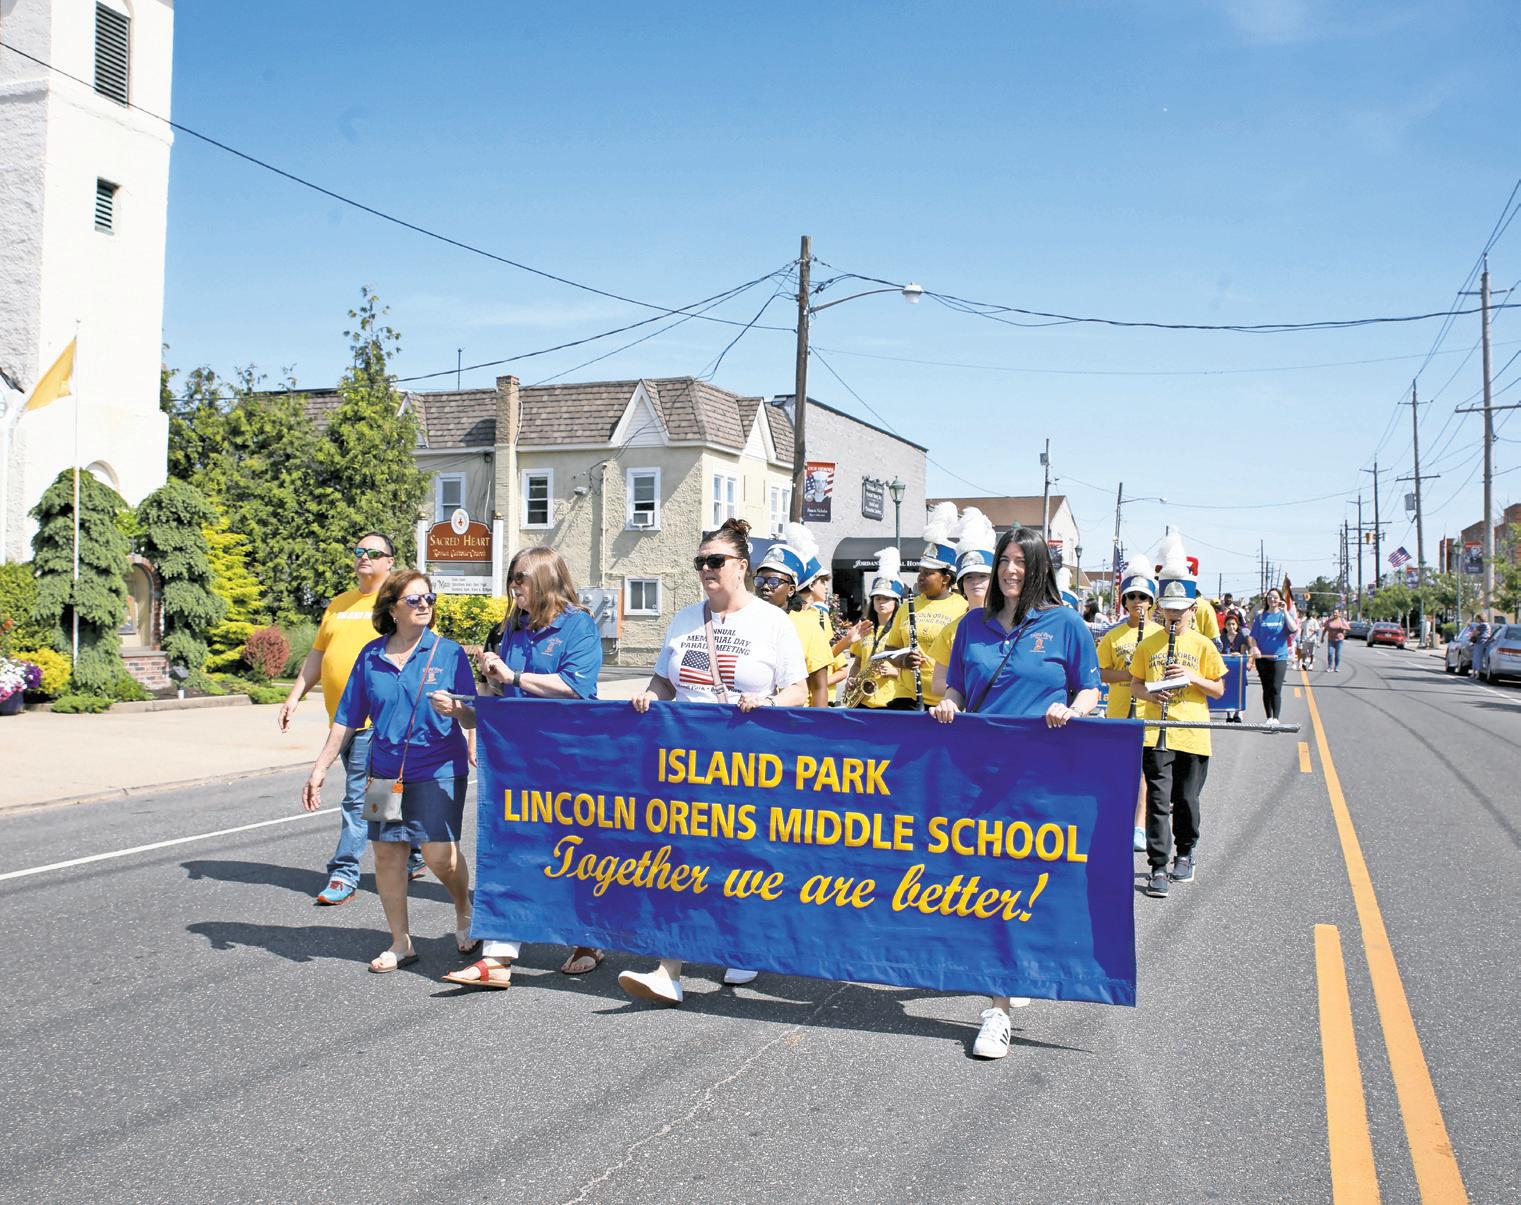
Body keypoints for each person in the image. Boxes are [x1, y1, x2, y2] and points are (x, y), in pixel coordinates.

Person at [618, 518, 808, 1006]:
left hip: (747, 764)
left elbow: (799, 690)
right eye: (700, 561)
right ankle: (669, 969)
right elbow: (665, 681)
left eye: (716, 561)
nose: (706, 568)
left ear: (741, 567)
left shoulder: (772, 622)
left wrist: (768, 703)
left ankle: (742, 942)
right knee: (678, 859)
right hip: (684, 761)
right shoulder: (684, 619)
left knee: (739, 859)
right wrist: (650, 696)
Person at [930, 527, 1100, 1061]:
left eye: (1021, 562)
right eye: (1004, 560)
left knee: (1024, 883)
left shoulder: (1066, 623)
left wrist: (1073, 710)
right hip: (976, 776)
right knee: (986, 883)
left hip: (1039, 778)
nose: (1010, 570)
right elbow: (958, 685)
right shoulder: (971, 626)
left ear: (1039, 568)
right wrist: (950, 703)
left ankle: (1009, 982)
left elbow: (1090, 687)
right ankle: (1001, 999)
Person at [435, 546, 606, 988]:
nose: (514, 586)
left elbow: (575, 686)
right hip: (515, 758)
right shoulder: (509, 628)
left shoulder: (579, 624)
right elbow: (495, 696)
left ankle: (586, 940)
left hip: (569, 758)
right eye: (512, 577)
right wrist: (465, 711)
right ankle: (498, 955)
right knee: (508, 850)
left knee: (573, 851)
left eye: (521, 578)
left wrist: (512, 677)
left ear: (546, 578)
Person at [301, 570, 478, 973]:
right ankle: (401, 942)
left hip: (438, 768)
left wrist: (458, 710)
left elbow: (472, 718)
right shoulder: (371, 656)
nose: (424, 605)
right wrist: (320, 767)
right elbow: (347, 718)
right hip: (383, 772)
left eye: (429, 599)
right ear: (392, 608)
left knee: (439, 856)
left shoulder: (448, 654)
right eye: (414, 600)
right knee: (386, 855)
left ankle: (464, 907)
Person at [279, 533, 424, 906]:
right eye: (359, 551)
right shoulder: (339, 604)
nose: (365, 557)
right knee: (381, 794)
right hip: (342, 722)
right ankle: (412, 852)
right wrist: (295, 696)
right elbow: (318, 654)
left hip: (377, 724)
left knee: (358, 798)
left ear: (390, 561)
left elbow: (422, 651)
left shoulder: (398, 604)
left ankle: (344, 872)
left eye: (374, 552)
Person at [1131, 549, 1226, 901]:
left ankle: (1185, 853)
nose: (1173, 615)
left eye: (1180, 609)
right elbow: (1136, 684)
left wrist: (1191, 676)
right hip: (1156, 730)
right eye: (1168, 609)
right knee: (1157, 800)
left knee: (1186, 799)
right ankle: (1158, 865)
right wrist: (1152, 694)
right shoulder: (1148, 644)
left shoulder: (1203, 645)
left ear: (1192, 609)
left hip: (1193, 733)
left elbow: (1218, 689)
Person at [1096, 558, 1161, 850]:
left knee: (1144, 774)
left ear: (1151, 602)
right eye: (1132, 596)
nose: (1137, 602)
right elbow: (1102, 673)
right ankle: (1119, 821)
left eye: (1143, 597)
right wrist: (1129, 675)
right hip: (1119, 711)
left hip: (1150, 712)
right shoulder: (1113, 635)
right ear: (1124, 601)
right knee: (1120, 772)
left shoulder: (1160, 635)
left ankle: (1139, 826)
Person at [884, 501, 967, 710]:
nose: (920, 577)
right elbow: (890, 648)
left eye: (928, 573)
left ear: (946, 578)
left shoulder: (963, 607)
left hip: (945, 701)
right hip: (907, 695)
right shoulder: (907, 606)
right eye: (920, 572)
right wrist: (903, 660)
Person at [753, 522, 833, 706]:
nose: (765, 587)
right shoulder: (746, 620)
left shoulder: (808, 626)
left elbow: (819, 687)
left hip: (795, 716)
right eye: (760, 580)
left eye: (774, 582)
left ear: (790, 590)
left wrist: (817, 723)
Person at [929, 507, 996, 699]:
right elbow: (937, 684)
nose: (975, 582)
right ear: (961, 585)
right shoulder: (952, 630)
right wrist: (976, 684)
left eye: (982, 576)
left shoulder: (1011, 622)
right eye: (969, 577)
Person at [844, 547, 905, 708]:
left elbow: (914, 668)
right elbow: (858, 663)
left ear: (896, 602)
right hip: (863, 700)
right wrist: (852, 678)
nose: (881, 602)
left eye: (886, 598)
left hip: (891, 700)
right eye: (877, 598)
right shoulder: (865, 628)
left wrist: (894, 672)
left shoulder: (902, 631)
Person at [1248, 587, 1298, 724]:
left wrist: (1285, 611)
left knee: (1276, 687)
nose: (1272, 599)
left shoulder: (1283, 616)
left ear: (1280, 600)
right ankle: (1269, 717)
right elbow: (1253, 637)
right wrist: (1254, 648)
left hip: (1279, 658)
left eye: (1275, 597)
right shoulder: (1260, 617)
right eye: (1270, 597)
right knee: (1266, 688)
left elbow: (1294, 629)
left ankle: (1276, 718)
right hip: (1263, 658)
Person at [1217, 611, 1250, 723]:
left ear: (1237, 625)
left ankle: (1238, 712)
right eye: (1228, 624)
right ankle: (1229, 712)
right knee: (1227, 688)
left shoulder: (1241, 637)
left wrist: (1239, 654)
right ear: (1225, 626)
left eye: (1233, 624)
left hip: (1237, 667)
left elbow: (1244, 652)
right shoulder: (1222, 637)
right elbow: (1218, 651)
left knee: (1239, 689)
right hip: (1226, 666)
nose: (1231, 627)